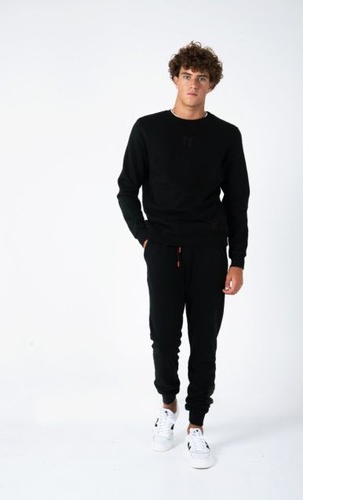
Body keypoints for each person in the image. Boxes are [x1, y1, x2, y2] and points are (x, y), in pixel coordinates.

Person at [116, 41, 250, 469]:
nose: (194, 84)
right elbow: (126, 190)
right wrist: (146, 239)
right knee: (164, 335)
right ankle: (168, 405)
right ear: (175, 78)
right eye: (187, 76)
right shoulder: (148, 129)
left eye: (202, 78)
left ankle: (196, 426)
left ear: (211, 85)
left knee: (204, 340)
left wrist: (237, 259)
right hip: (162, 248)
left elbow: (237, 203)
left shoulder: (226, 135)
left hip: (210, 250)